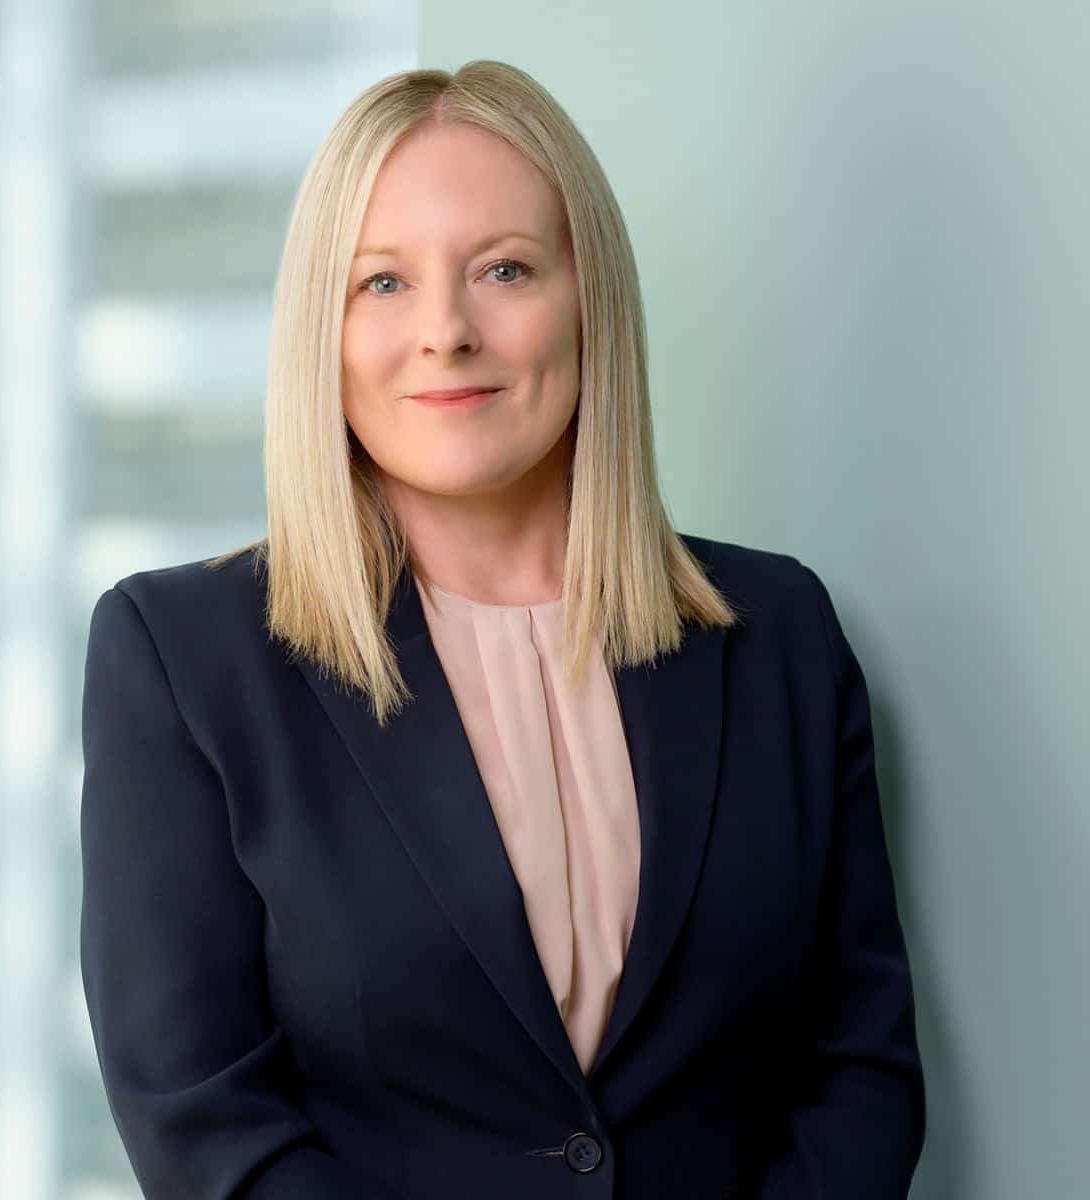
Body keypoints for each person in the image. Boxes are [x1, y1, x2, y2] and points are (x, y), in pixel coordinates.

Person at [79, 59, 926, 1199]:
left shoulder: (781, 634)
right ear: (317, 331)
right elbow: (206, 1126)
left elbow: (859, 1070)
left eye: (505, 270)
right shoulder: (183, 657)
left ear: (592, 297)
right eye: (381, 283)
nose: (446, 332)